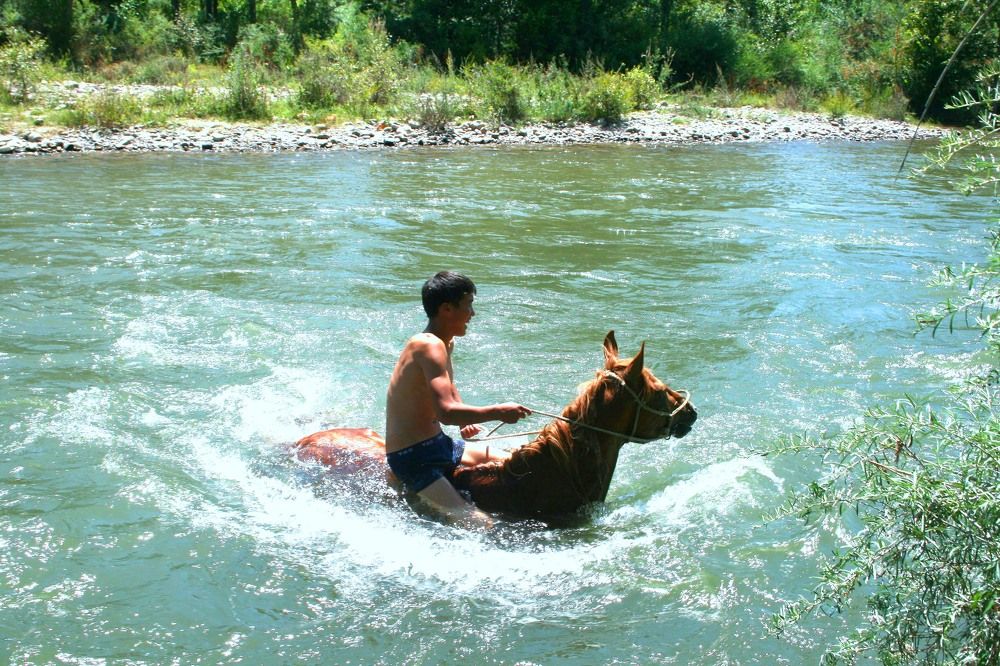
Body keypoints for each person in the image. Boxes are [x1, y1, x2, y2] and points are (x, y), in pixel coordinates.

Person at [385, 271, 531, 526]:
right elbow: (446, 412)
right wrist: (498, 411)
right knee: (479, 523)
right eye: (468, 305)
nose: (472, 313)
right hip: (412, 458)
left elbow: (447, 388)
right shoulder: (428, 346)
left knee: (517, 461)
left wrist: (465, 422)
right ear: (447, 309)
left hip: (440, 444)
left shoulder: (444, 342)